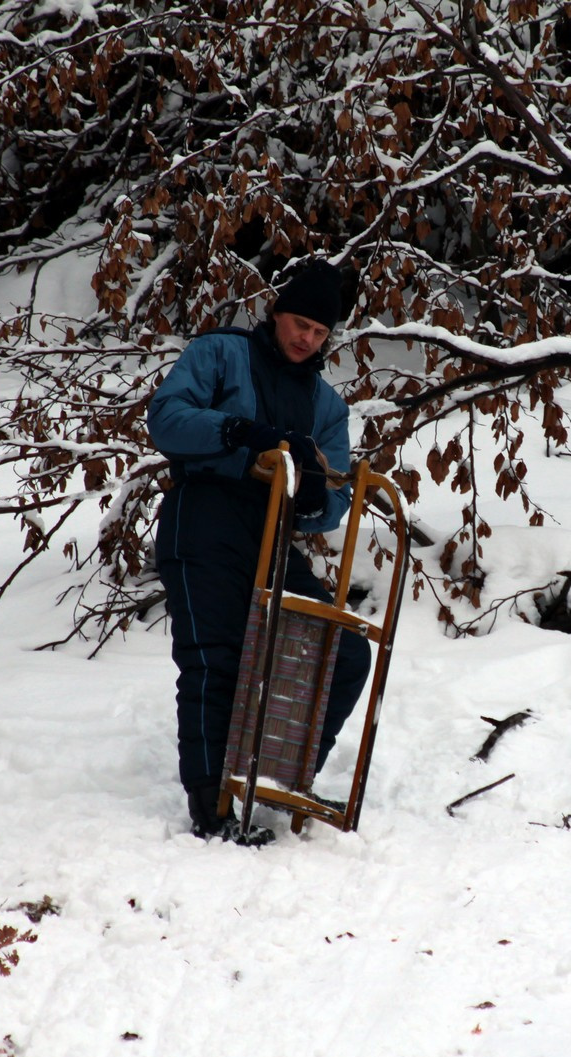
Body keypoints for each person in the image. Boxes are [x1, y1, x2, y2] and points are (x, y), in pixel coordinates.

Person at [147, 261, 370, 845]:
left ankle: (274, 780)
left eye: (320, 333)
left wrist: (319, 492)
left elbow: (333, 504)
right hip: (203, 516)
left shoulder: (327, 406)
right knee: (214, 659)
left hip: (271, 536)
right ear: (275, 313)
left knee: (344, 653)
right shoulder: (220, 353)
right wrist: (242, 434)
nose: (307, 339)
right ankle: (211, 806)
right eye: (299, 323)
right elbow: (166, 418)